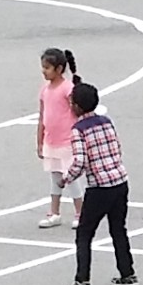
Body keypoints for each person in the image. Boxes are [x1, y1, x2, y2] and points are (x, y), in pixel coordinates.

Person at [60, 80, 136, 285]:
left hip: (99, 187)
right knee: (118, 229)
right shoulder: (106, 122)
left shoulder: (78, 130)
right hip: (120, 181)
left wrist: (66, 178)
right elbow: (116, 147)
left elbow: (81, 161)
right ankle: (127, 273)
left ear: (76, 107)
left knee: (84, 233)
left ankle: (82, 281)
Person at [36, 47, 79, 228]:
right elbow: (42, 116)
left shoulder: (67, 88)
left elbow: (77, 112)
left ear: (59, 69)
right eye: (43, 67)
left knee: (71, 178)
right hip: (51, 142)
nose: (43, 71)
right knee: (55, 178)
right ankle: (54, 212)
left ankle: (80, 212)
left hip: (67, 141)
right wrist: (40, 141)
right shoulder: (45, 90)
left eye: (47, 68)